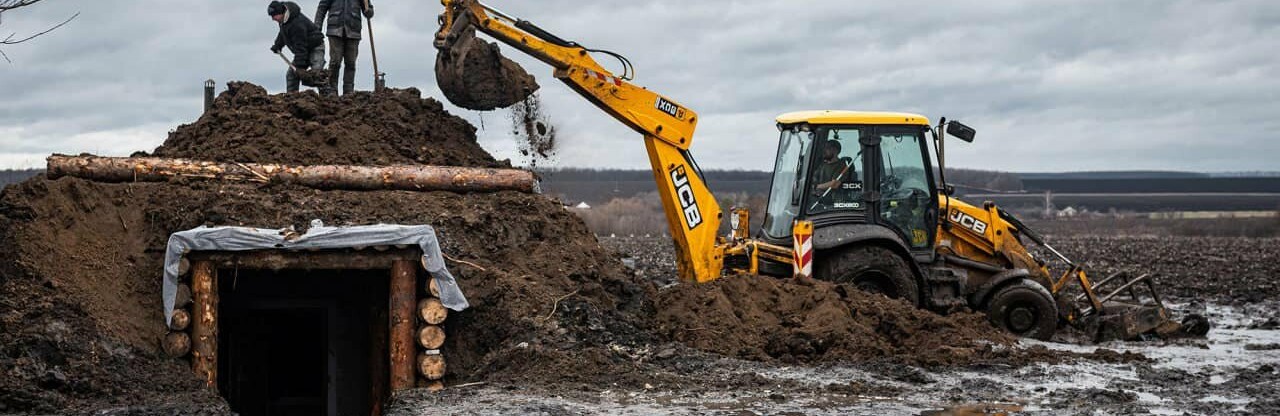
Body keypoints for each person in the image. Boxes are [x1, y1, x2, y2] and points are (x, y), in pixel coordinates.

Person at [315, 0, 374, 95]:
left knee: (351, 63)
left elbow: (368, 10)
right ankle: (332, 90)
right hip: (334, 30)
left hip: (353, 31)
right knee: (335, 62)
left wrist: (369, 11)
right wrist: (317, 27)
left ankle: (348, 91)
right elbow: (321, 9)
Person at [269, 1, 326, 93]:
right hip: (303, 50)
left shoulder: (297, 24)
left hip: (315, 47)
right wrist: (277, 45)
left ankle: (328, 98)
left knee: (317, 75)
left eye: (273, 16)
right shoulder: (284, 21)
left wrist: (299, 67)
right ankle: (292, 98)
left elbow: (301, 46)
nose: (273, 19)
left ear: (280, 12)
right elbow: (283, 34)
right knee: (291, 75)